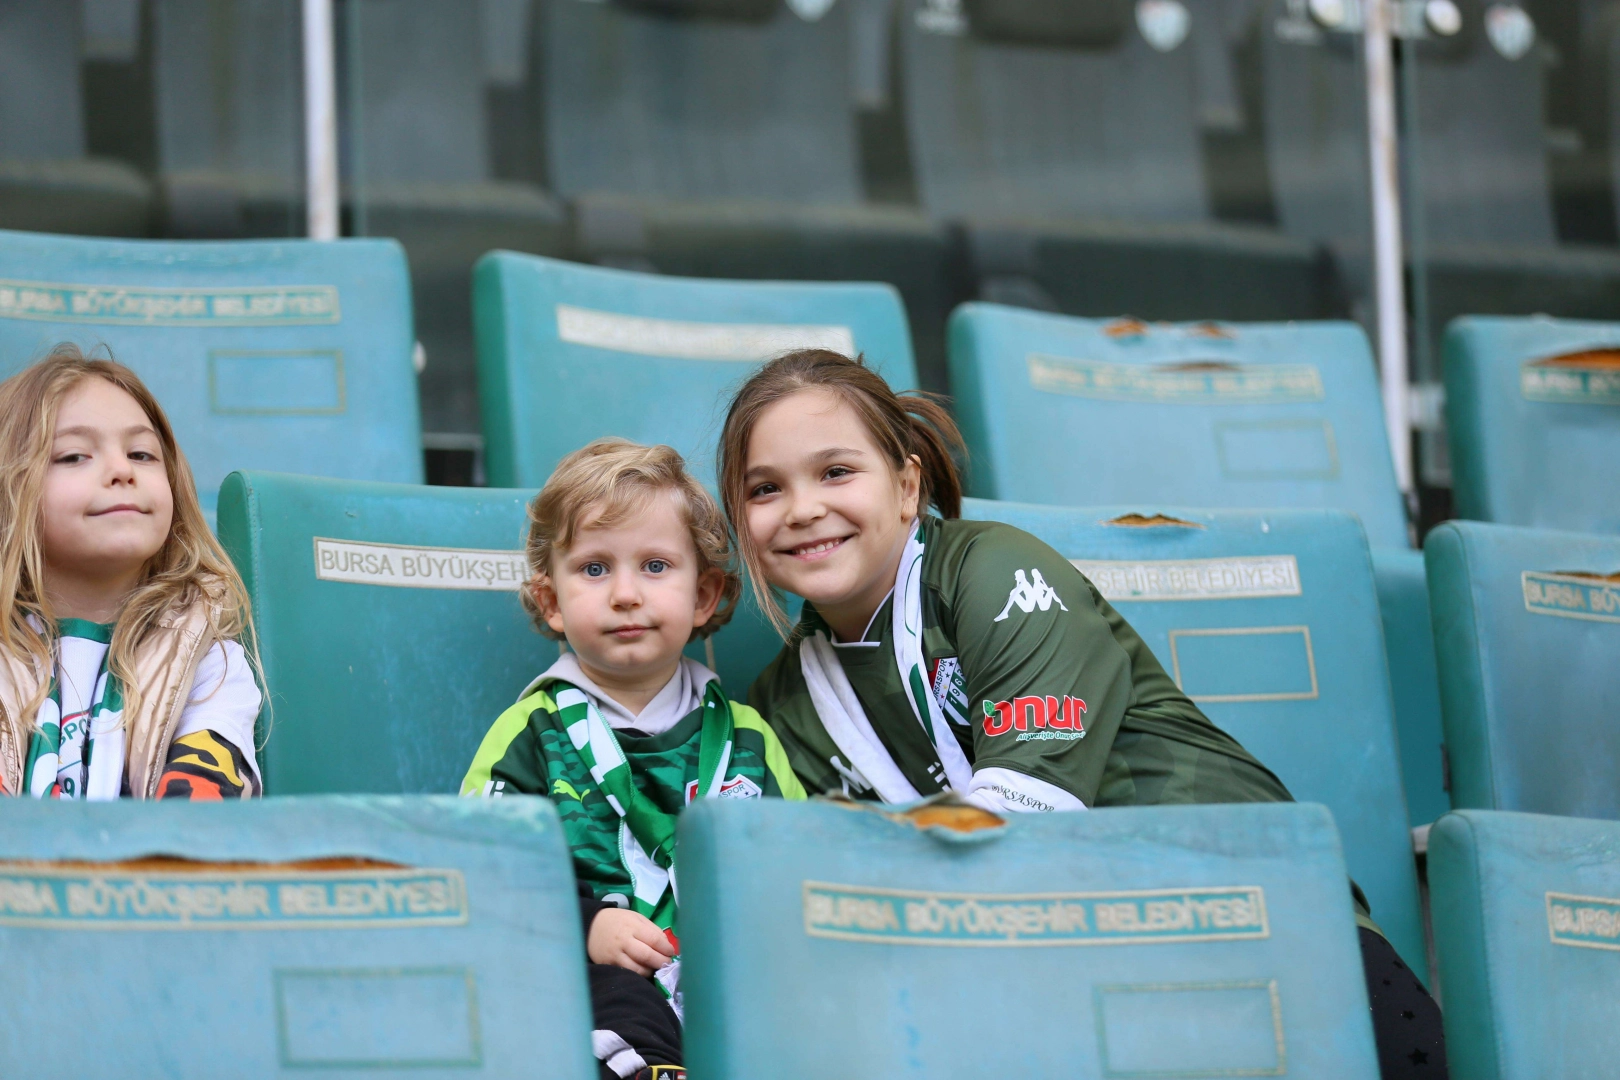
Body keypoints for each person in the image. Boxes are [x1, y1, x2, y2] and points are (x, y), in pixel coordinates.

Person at [718, 349, 1446, 1079]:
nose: (803, 508)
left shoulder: (990, 569)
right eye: (765, 489)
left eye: (836, 472)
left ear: (908, 486)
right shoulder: (780, 704)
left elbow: (1026, 826)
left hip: (1265, 935)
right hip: (1064, 988)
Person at [461, 438, 805, 1080]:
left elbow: (798, 867)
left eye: (654, 566)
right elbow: (487, 868)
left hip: (730, 971)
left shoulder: (750, 738)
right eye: (594, 569)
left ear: (704, 596)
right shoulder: (529, 732)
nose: (624, 594)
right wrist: (586, 926)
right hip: (593, 971)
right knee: (609, 999)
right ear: (551, 602)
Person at [0, 345, 262, 801]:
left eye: (141, 454)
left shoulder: (207, 660)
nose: (121, 470)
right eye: (74, 456)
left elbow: (202, 814)